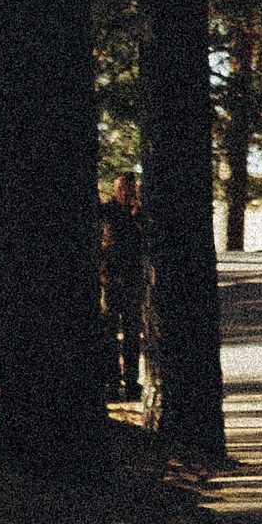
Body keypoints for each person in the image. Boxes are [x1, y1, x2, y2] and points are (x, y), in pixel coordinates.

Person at [98, 171, 143, 402]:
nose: (126, 192)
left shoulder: (140, 215)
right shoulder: (105, 212)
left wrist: (137, 218)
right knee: (108, 335)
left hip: (133, 283)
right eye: (122, 188)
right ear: (115, 190)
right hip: (110, 282)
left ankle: (132, 382)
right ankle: (112, 382)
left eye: (130, 188)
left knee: (132, 335)